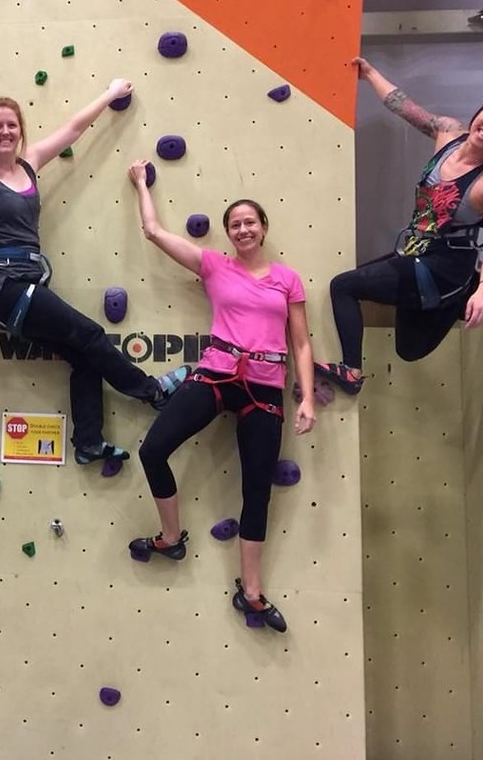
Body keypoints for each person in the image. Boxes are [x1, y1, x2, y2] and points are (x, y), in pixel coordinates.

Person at [0, 81, 189, 465]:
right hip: (2, 287)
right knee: (91, 334)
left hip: (27, 284)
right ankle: (152, 392)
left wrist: (110, 93)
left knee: (85, 355)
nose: (5, 132)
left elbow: (73, 129)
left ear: (20, 131)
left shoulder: (29, 164)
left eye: (11, 125)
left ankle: (88, 443)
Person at [126, 161, 316, 633]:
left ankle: (251, 592)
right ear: (228, 233)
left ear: (264, 228)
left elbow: (302, 343)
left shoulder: (287, 280)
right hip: (216, 375)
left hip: (266, 387)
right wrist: (140, 184)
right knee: (152, 450)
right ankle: (171, 538)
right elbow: (152, 231)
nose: (243, 228)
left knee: (256, 490)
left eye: (250, 221)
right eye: (235, 224)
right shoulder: (214, 265)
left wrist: (307, 398)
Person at [314, 57, 483, 395]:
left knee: (345, 287)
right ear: (481, 110)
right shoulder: (448, 133)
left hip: (443, 268)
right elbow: (403, 106)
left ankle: (351, 373)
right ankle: (467, 291)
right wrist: (370, 73)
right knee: (406, 346)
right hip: (414, 251)